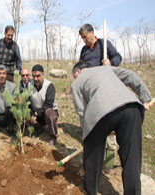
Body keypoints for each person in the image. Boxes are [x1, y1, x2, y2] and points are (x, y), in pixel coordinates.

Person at [71, 61, 153, 195]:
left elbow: (82, 111)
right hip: (132, 107)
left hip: (101, 111)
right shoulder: (106, 69)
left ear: (78, 72)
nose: (76, 79)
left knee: (93, 154)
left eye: (75, 76)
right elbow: (131, 75)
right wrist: (145, 97)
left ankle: (91, 190)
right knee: (132, 157)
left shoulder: (76, 82)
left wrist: (87, 137)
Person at [79, 23, 122, 171]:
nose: (84, 40)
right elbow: (81, 66)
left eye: (85, 37)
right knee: (94, 122)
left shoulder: (104, 44)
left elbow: (118, 57)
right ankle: (95, 156)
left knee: (108, 122)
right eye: (82, 38)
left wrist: (110, 62)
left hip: (106, 89)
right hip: (91, 90)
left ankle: (108, 165)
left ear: (92, 32)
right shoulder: (84, 50)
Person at [30, 64, 59, 145]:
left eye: (38, 76)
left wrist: (36, 114)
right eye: (33, 76)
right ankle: (39, 129)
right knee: (25, 111)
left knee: (50, 113)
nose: (35, 79)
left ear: (43, 75)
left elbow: (48, 104)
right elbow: (28, 101)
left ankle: (53, 137)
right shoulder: (29, 85)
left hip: (47, 113)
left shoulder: (49, 86)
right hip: (37, 114)